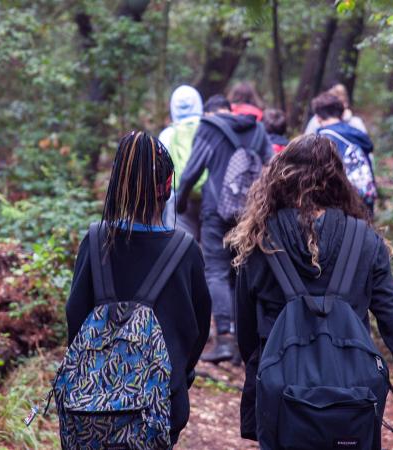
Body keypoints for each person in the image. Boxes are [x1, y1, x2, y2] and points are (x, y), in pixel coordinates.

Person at [227, 134, 393, 447]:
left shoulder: (259, 240)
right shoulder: (365, 241)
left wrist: (265, 375)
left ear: (280, 178)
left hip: (282, 394)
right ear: (338, 179)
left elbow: (246, 333)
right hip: (353, 397)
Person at [65, 131, 212, 445]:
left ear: (116, 183)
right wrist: (178, 377)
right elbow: (196, 330)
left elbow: (75, 319)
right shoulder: (185, 251)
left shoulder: (95, 242)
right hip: (159, 408)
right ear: (167, 186)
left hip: (90, 407)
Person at [176, 95, 272, 363]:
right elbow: (271, 169)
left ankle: (225, 339)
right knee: (242, 273)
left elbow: (192, 170)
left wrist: (180, 201)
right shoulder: (258, 129)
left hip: (216, 211)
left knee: (216, 272)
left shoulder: (209, 128)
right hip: (250, 214)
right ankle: (246, 344)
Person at [313, 92, 377, 214]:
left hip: (340, 202)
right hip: (364, 195)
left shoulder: (322, 139)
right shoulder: (356, 134)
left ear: (318, 117)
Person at [159, 85, 205, 240]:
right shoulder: (208, 130)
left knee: (182, 251)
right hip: (209, 199)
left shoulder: (167, 135)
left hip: (178, 200)